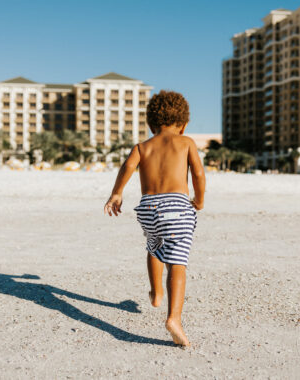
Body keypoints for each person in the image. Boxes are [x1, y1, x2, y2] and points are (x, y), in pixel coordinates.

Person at [104, 90, 206, 347]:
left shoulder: (142, 146)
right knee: (178, 263)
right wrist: (200, 200)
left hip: (148, 209)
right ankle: (174, 318)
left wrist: (117, 193)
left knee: (154, 246)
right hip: (178, 207)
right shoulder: (187, 143)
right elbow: (199, 174)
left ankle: (156, 292)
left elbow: (127, 167)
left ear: (151, 123)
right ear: (183, 124)